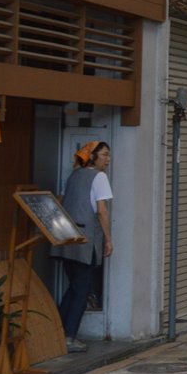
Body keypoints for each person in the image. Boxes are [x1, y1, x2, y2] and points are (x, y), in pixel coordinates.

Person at [53, 140, 112, 353]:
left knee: (75, 286)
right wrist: (108, 239)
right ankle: (68, 337)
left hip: (66, 239)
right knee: (82, 288)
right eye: (104, 155)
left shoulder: (74, 175)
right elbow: (102, 211)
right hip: (84, 241)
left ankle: (57, 331)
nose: (107, 159)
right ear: (93, 156)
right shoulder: (99, 177)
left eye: (108, 155)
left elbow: (59, 201)